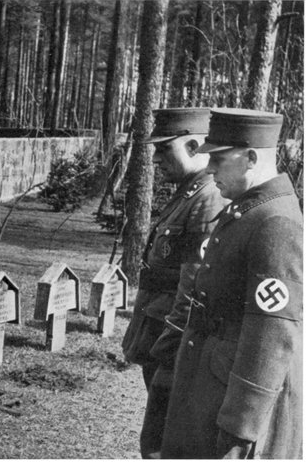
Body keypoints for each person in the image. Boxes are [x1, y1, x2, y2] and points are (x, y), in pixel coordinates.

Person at [161, 108, 303, 459]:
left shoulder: (276, 222)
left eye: (219, 159)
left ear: (251, 158)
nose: (209, 168)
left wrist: (242, 424)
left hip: (236, 402)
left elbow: (272, 333)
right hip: (213, 385)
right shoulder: (247, 209)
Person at [121, 108, 228, 458]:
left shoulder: (207, 199)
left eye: (165, 149)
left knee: (164, 443)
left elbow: (194, 284)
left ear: (194, 147)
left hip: (173, 342)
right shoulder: (188, 193)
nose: (155, 159)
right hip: (158, 333)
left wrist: (172, 345)